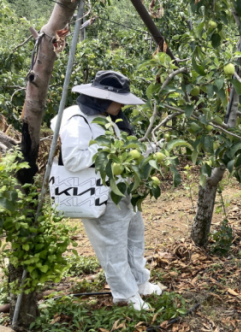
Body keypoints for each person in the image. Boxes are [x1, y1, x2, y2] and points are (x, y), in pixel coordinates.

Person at [51, 71, 162, 310]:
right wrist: (111, 150)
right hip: (98, 193)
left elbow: (125, 148)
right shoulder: (77, 119)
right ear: (101, 98)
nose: (122, 104)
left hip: (121, 189)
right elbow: (72, 160)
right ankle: (125, 294)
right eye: (118, 98)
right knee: (112, 245)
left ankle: (141, 283)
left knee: (134, 235)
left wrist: (149, 149)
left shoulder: (109, 116)